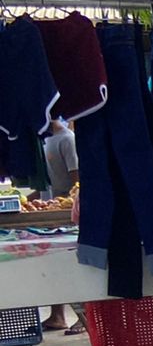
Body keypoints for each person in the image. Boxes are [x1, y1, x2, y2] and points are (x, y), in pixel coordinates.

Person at [42, 117, 82, 332]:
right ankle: (57, 315)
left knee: (74, 264)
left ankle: (84, 317)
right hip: (53, 211)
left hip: (70, 213)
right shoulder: (46, 140)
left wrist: (65, 203)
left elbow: (77, 182)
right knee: (54, 264)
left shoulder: (67, 139)